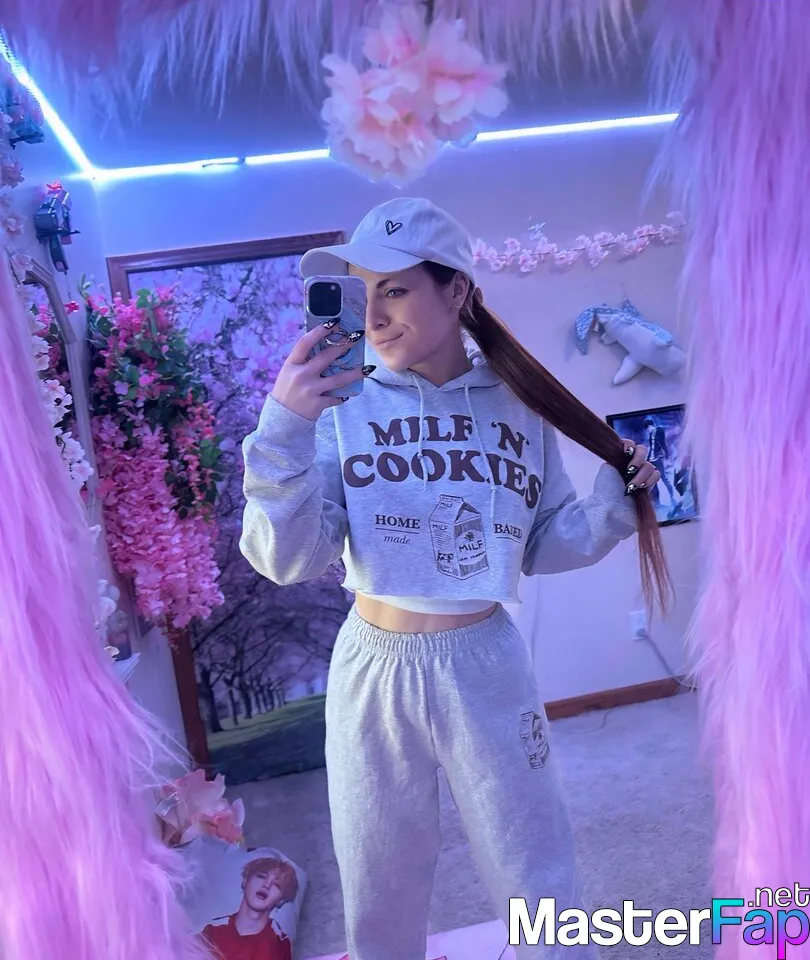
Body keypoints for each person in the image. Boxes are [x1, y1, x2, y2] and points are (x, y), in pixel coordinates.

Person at [239, 198, 672, 960]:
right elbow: (288, 559)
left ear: (457, 291)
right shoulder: (339, 407)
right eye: (361, 292)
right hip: (373, 669)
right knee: (378, 881)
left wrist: (614, 501)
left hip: (485, 663)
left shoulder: (522, 406)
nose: (374, 315)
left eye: (395, 289)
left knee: (535, 861)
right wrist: (284, 427)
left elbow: (544, 542)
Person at [201, 856, 298, 960]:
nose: (266, 885)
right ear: (245, 881)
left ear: (281, 901)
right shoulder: (212, 930)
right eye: (261, 876)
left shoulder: (280, 943)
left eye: (276, 884)